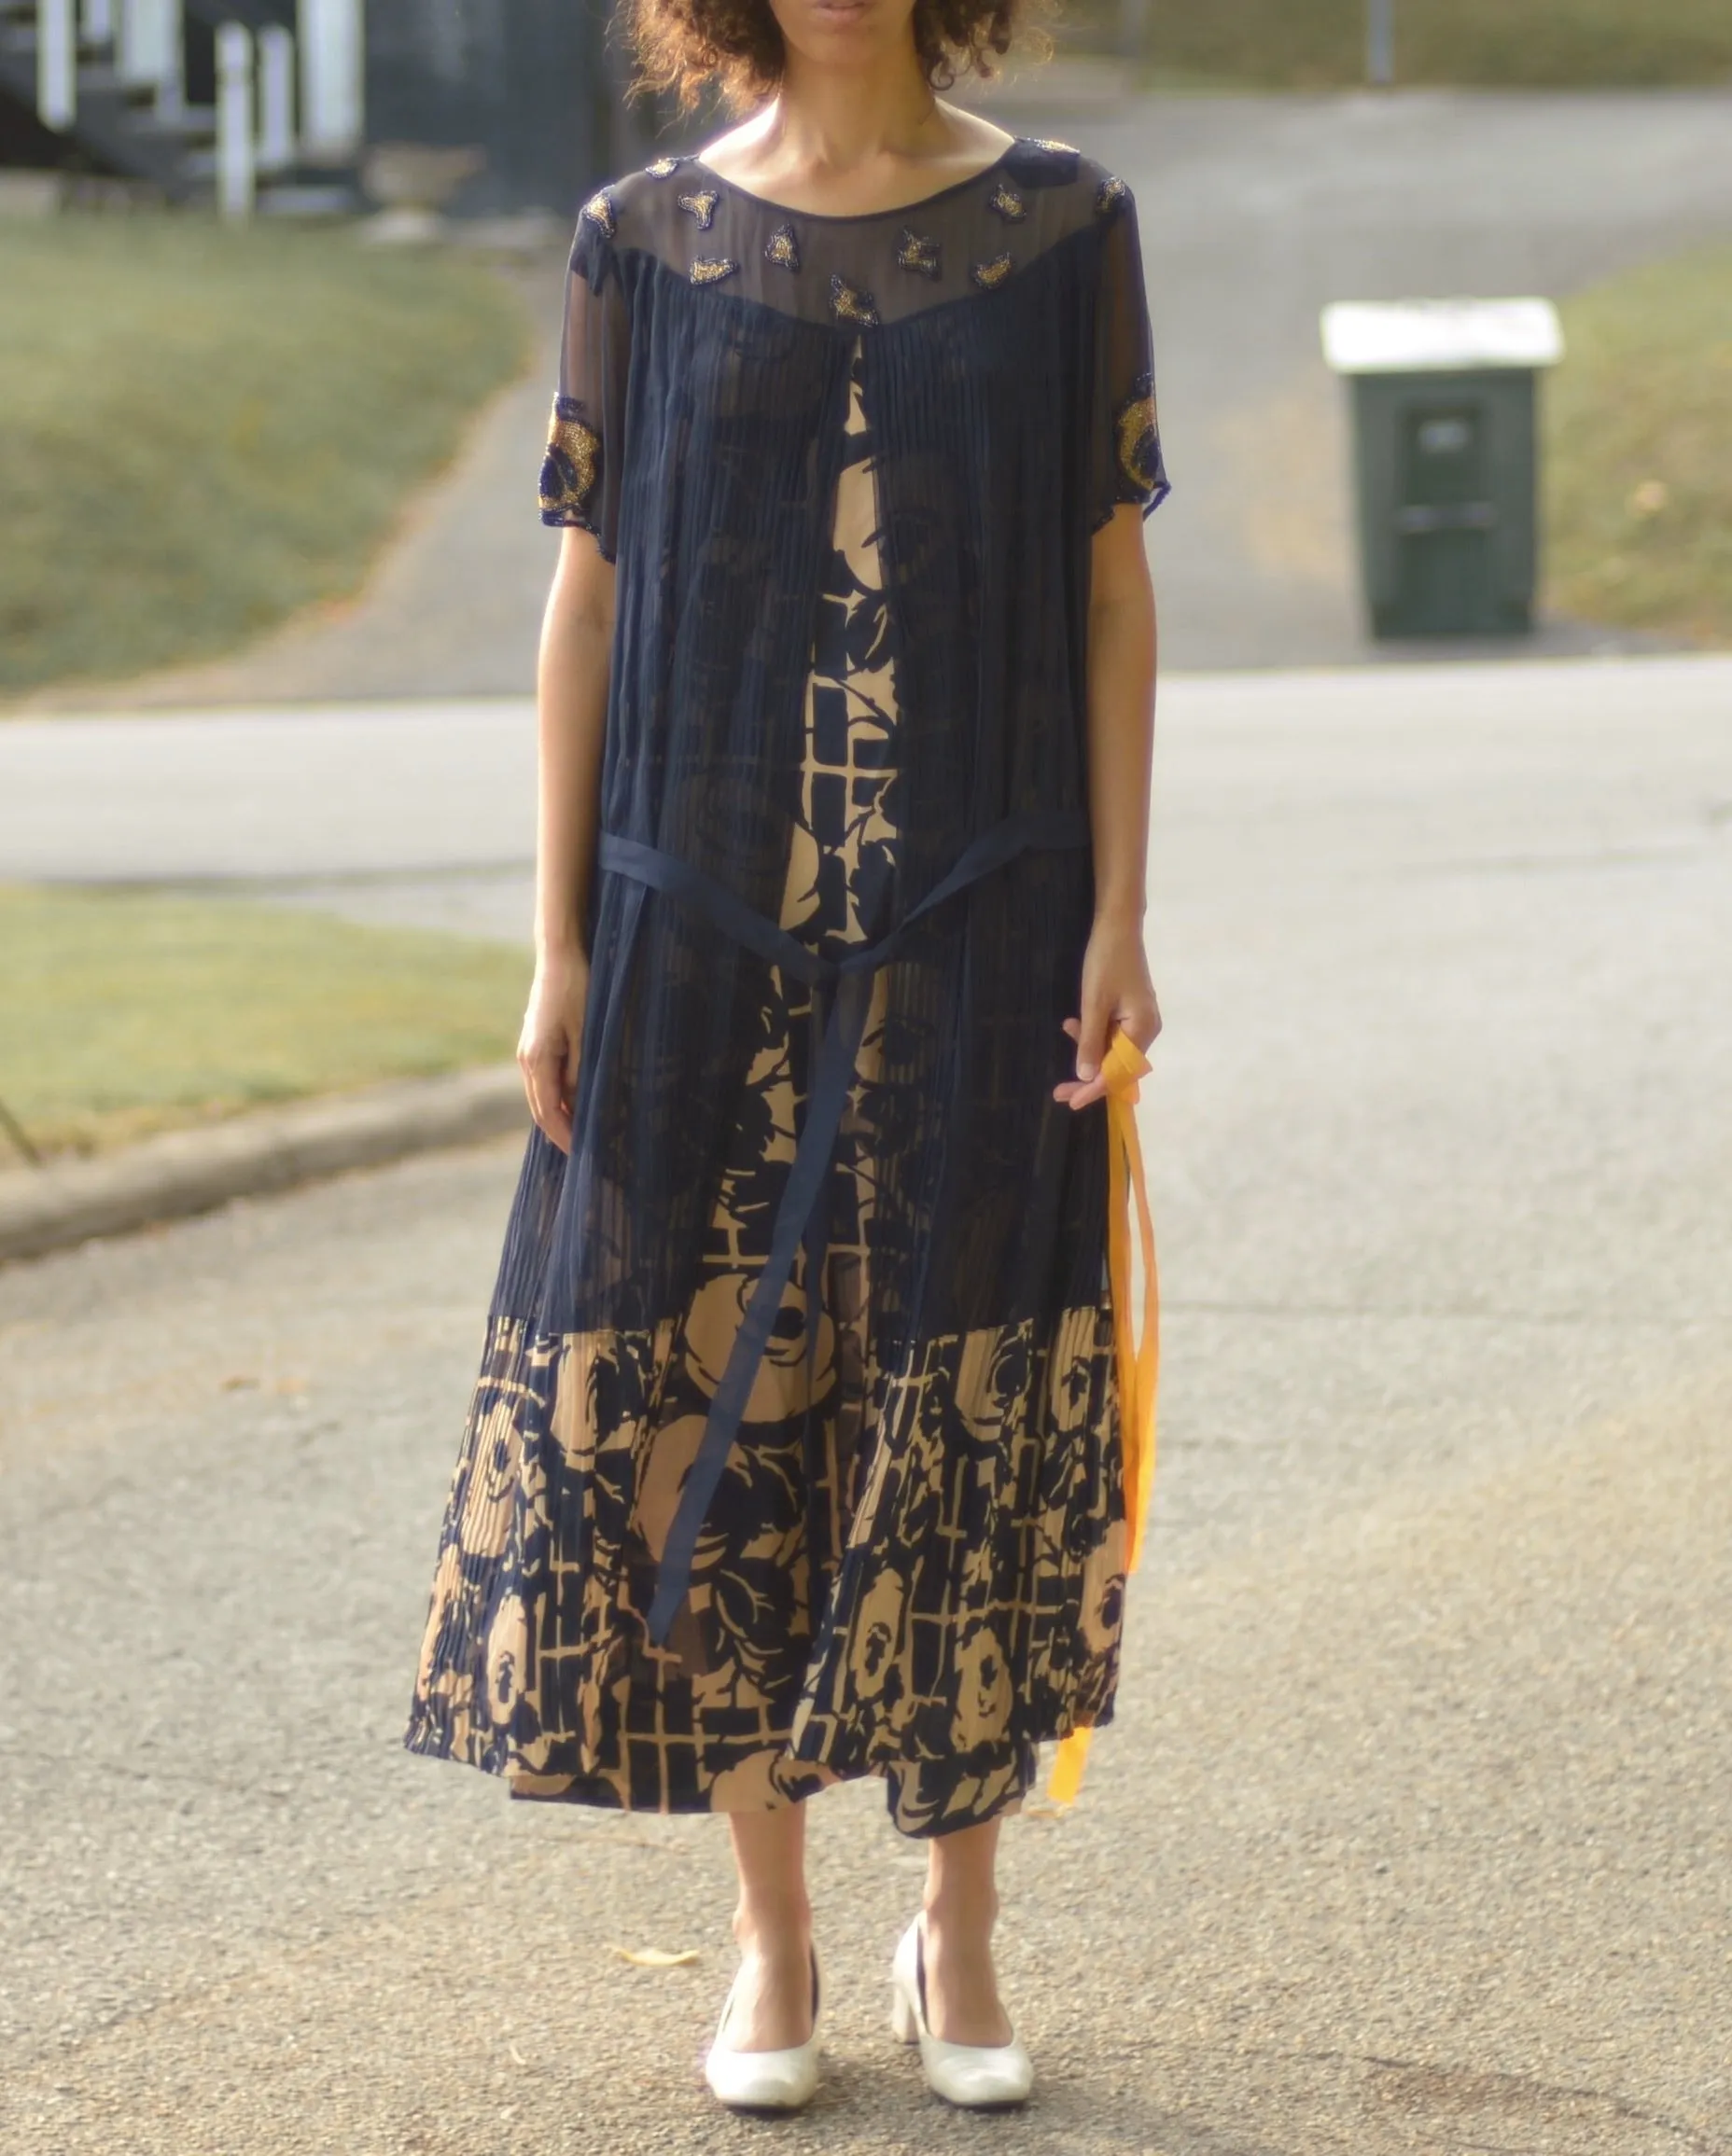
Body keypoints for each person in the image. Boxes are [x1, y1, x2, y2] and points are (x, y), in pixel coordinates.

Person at [404, 0, 1168, 2113]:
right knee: (720, 1433)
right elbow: (590, 603)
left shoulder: (1059, 226)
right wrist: (554, 940)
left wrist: (1116, 913)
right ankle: (774, 1940)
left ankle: (963, 1927)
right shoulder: (636, 236)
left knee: (962, 1408)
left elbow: (1112, 590)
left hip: (985, 925)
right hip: (690, 931)